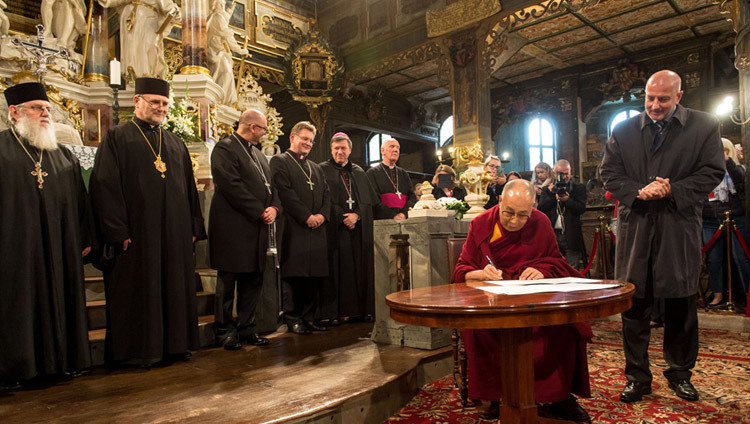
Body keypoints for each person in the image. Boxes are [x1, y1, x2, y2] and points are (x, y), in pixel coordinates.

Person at [601, 70, 724, 403]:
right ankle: (637, 377)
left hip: (677, 225)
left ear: (679, 97)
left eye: (663, 99)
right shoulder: (624, 129)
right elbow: (608, 173)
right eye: (650, 98)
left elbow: (713, 171)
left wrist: (673, 189)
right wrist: (638, 191)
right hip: (636, 226)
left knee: (681, 304)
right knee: (634, 305)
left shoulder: (704, 125)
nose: (655, 106)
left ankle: (680, 374)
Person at [90, 77, 207, 367]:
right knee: (140, 289)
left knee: (174, 287)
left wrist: (193, 227)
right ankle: (138, 351)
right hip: (137, 234)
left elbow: (190, 189)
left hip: (174, 233)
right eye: (155, 102)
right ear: (137, 102)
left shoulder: (175, 142)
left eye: (165, 103)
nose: (161, 108)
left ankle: (175, 346)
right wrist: (117, 230)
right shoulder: (117, 137)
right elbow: (105, 184)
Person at [455, 179, 593, 423]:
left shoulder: (540, 222)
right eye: (509, 213)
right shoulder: (481, 223)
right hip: (493, 302)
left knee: (565, 325)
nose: (515, 221)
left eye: (523, 215)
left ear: (533, 209)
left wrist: (542, 270)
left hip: (534, 300)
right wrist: (480, 272)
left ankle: (559, 398)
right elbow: (461, 270)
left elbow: (556, 260)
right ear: (499, 202)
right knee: (479, 329)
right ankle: (494, 397)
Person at [0, 82, 92, 387]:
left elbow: (81, 201)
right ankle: (18, 368)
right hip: (15, 247)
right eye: (38, 108)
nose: (46, 114)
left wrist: (83, 237)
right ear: (15, 112)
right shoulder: (1, 149)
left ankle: (63, 361)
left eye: (48, 109)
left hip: (59, 245)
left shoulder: (63, 155)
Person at [209, 109, 280, 350]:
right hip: (232, 228)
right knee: (228, 282)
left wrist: (274, 208)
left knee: (253, 280)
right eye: (263, 129)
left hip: (257, 229)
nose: (264, 134)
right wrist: (260, 210)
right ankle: (224, 330)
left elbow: (272, 188)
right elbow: (230, 184)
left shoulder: (259, 155)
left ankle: (247, 328)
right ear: (252, 127)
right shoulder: (225, 148)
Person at [270, 121, 330, 335]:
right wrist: (307, 216)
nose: (308, 143)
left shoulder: (315, 167)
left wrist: (322, 215)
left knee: (313, 276)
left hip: (317, 228)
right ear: (292, 137)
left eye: (311, 141)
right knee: (295, 275)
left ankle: (309, 316)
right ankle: (293, 318)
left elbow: (326, 194)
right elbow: (285, 193)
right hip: (294, 227)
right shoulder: (280, 161)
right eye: (304, 138)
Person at [319, 132, 378, 324]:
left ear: (350, 150)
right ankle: (336, 312)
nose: (339, 152)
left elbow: (368, 202)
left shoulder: (359, 172)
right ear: (331, 150)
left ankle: (360, 311)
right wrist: (342, 217)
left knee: (360, 269)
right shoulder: (322, 170)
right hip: (336, 231)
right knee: (339, 270)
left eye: (343, 148)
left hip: (359, 230)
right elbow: (323, 200)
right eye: (336, 148)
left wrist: (357, 215)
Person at [702, 138, 750, 308]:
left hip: (735, 217)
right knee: (713, 260)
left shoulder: (738, 168)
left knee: (741, 258)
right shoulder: (706, 170)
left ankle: (746, 295)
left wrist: (727, 161)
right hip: (710, 219)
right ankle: (717, 295)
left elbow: (740, 179)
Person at [98, 0, 181, 79]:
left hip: (148, 18)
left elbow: (167, 5)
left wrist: (174, 11)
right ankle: (132, 77)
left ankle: (150, 76)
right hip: (130, 20)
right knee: (132, 50)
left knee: (150, 46)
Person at [537, 159, 587, 270]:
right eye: (560, 174)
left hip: (571, 235)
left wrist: (567, 200)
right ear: (554, 173)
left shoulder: (578, 188)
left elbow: (581, 208)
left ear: (570, 172)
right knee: (554, 268)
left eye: (566, 173)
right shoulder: (547, 190)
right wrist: (553, 196)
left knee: (572, 269)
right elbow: (541, 209)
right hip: (552, 234)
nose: (564, 177)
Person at [207, 0, 248, 105]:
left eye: (223, 4)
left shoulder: (219, 16)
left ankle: (222, 99)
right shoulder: (217, 18)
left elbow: (225, 18)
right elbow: (228, 36)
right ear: (215, 5)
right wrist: (240, 50)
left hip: (221, 50)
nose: (222, 5)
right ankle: (220, 99)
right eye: (220, 3)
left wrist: (230, 10)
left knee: (226, 72)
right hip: (215, 51)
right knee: (226, 72)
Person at [366, 138, 417, 220]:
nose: (396, 150)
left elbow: (412, 197)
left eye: (398, 148)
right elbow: (373, 199)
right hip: (382, 219)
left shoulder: (403, 173)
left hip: (405, 219)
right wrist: (392, 215)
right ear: (382, 151)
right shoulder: (372, 173)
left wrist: (403, 214)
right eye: (392, 146)